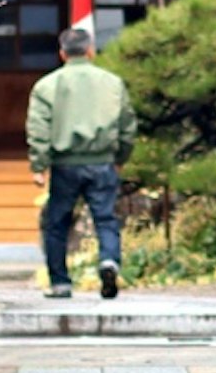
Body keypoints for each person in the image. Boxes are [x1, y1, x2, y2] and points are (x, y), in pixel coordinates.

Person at [27, 21, 135, 300]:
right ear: (90, 51)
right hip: (102, 161)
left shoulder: (46, 85)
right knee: (106, 219)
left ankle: (60, 282)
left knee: (58, 222)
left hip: (65, 164)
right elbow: (127, 125)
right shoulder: (113, 83)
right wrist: (121, 156)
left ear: (63, 54)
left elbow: (38, 128)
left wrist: (39, 165)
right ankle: (109, 261)